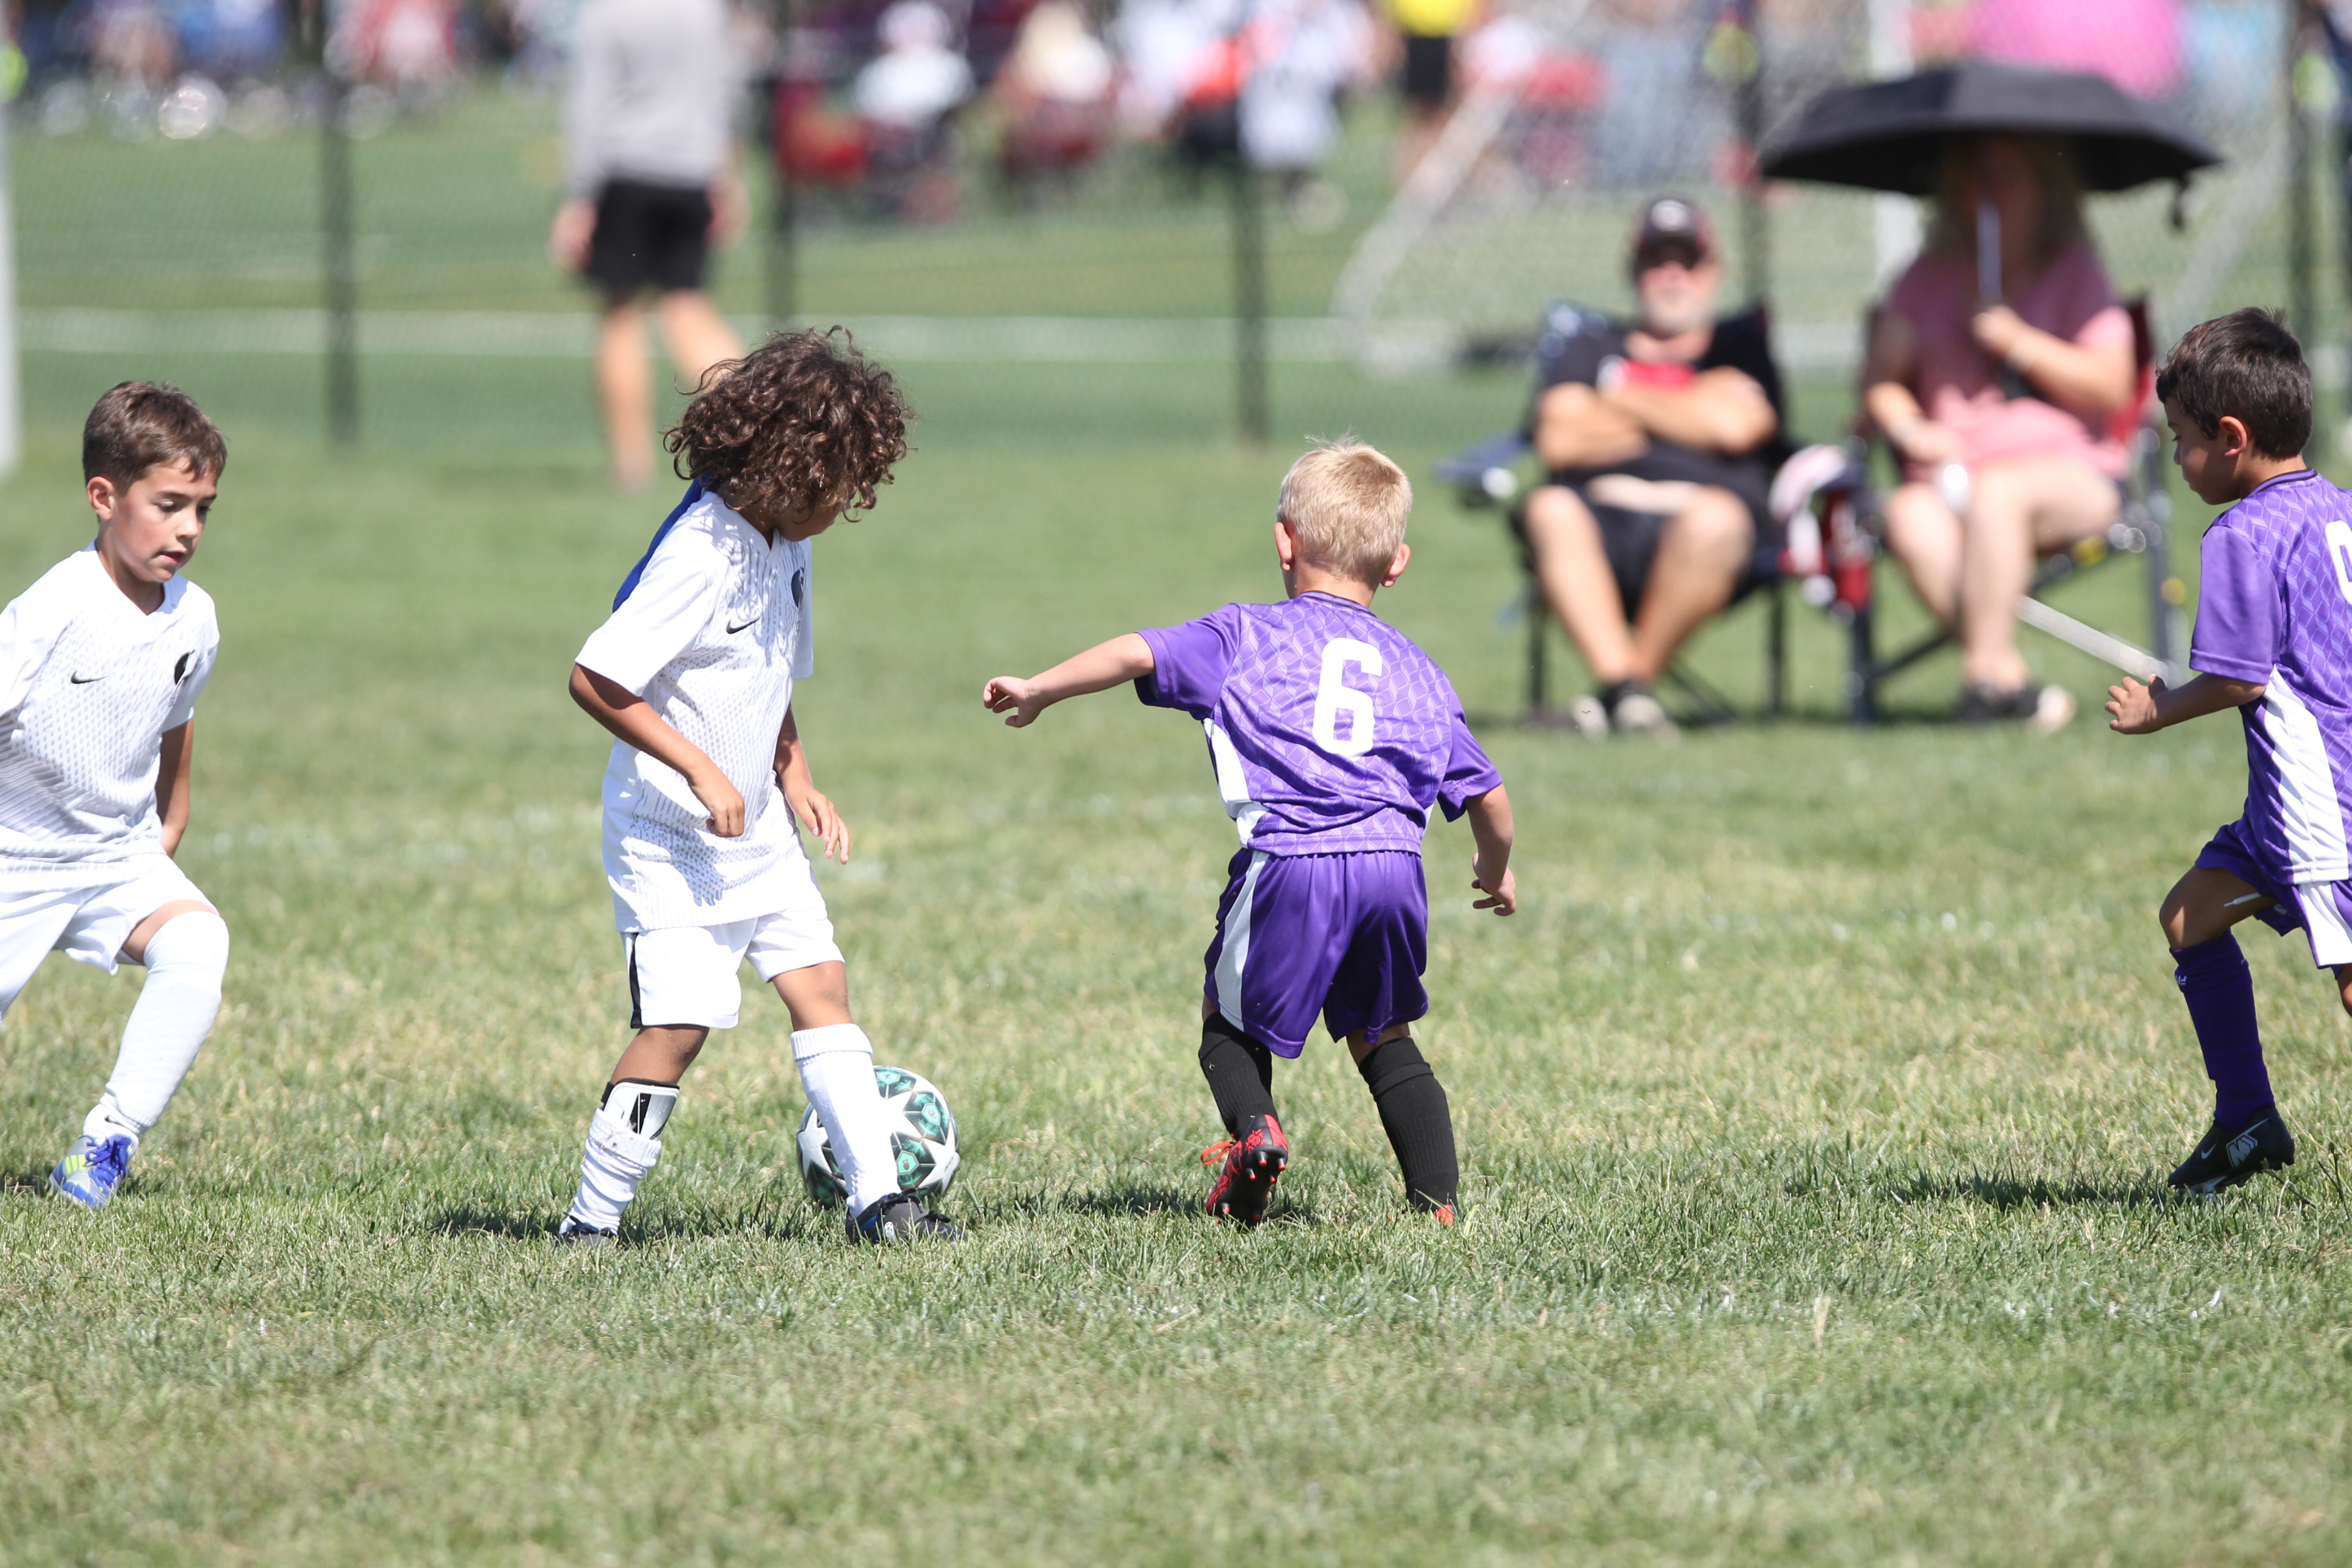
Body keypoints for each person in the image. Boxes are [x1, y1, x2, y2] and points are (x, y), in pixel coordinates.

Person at [981, 441, 1516, 1226]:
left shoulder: (1244, 635)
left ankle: (1256, 1133)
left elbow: (1137, 651)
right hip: (1396, 871)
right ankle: (1438, 1206)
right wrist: (1495, 870)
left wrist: (1040, 688)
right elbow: (1489, 796)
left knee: (1225, 1018)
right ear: (1396, 564)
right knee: (1384, 1035)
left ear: (1284, 542)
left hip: (1294, 861)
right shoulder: (1420, 671)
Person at [554, 330, 960, 1246]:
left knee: (822, 987)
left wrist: (796, 774)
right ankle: (590, 1223)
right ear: (785, 469)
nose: (845, 505)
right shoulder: (700, 553)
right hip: (669, 837)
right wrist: (699, 768)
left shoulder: (787, 539)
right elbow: (596, 678)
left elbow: (767, 675)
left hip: (760, 830)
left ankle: (879, 1206)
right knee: (679, 1029)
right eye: (837, 486)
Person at [2104, 309, 2334, 1194]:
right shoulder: (2338, 511)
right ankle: (2247, 1121)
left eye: (2183, 440)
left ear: (2231, 439)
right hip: (2285, 809)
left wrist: (2156, 710)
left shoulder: (2244, 534)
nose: (2177, 457)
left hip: (2322, 810)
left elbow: (2239, 679)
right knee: (2189, 919)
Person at [3, 383, 231, 1209]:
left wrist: (173, 817)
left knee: (199, 944)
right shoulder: (52, 610)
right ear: (104, 498)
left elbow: (177, 713)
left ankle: (107, 1144)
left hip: (113, 856)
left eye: (202, 509)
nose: (188, 529)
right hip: (14, 858)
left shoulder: (194, 617)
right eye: (168, 506)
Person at [1866, 134, 2140, 730]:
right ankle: (2003, 679)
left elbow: (2113, 384)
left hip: (2070, 475)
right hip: (1951, 475)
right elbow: (1882, 380)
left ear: (2043, 188)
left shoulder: (2074, 271)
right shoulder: (1926, 278)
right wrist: (1909, 428)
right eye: (1976, 177)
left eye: (2008, 176)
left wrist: (2017, 340)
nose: (1990, 192)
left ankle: (1982, 680)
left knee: (2000, 492)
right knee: (1908, 514)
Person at [1518, 197, 1785, 738]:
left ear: (1712, 272)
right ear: (1633, 270)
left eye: (1686, 261)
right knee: (1549, 508)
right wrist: (1696, 404)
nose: (1671, 276)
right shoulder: (1589, 344)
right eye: (1656, 261)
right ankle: (1629, 695)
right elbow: (1559, 438)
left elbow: (1738, 429)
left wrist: (1617, 395)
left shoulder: (1739, 347)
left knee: (1714, 520)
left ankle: (1620, 691)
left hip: (1709, 536)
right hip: (1600, 525)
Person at [550, 0, 746, 491]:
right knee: (688, 308)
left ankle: (631, 464)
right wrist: (725, 174)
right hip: (693, 171)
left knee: (621, 315)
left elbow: (589, 104)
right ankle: (754, 434)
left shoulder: (609, 13)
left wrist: (578, 196)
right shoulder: (705, 11)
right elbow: (725, 91)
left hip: (627, 172)